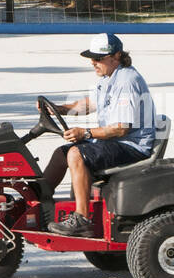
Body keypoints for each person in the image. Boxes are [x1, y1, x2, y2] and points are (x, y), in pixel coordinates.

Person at [40, 33, 156, 237]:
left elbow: (121, 129)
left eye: (98, 58)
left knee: (76, 154)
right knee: (61, 154)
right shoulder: (108, 78)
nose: (93, 62)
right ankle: (40, 205)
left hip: (132, 146)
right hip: (116, 141)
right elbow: (89, 104)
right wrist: (60, 108)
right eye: (92, 58)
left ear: (117, 56)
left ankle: (82, 219)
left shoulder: (127, 81)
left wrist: (85, 133)